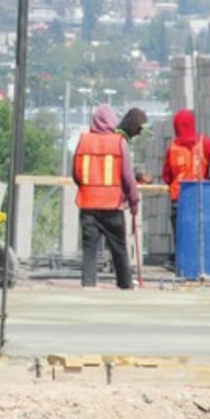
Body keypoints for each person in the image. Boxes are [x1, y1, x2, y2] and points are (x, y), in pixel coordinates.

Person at [72, 103, 139, 289]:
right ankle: (125, 284)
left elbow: (76, 173)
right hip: (112, 206)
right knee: (119, 248)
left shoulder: (83, 141)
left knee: (89, 250)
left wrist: (87, 187)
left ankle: (88, 284)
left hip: (88, 205)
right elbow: (128, 177)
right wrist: (133, 200)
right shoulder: (119, 142)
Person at [161, 108, 210, 260]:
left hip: (179, 198)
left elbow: (166, 176)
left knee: (181, 237)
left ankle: (182, 265)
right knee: (200, 235)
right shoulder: (204, 142)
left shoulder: (172, 148)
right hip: (199, 196)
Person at [116, 107, 152, 183]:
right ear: (133, 125)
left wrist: (137, 177)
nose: (139, 133)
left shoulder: (122, 138)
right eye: (139, 129)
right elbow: (121, 171)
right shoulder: (119, 140)